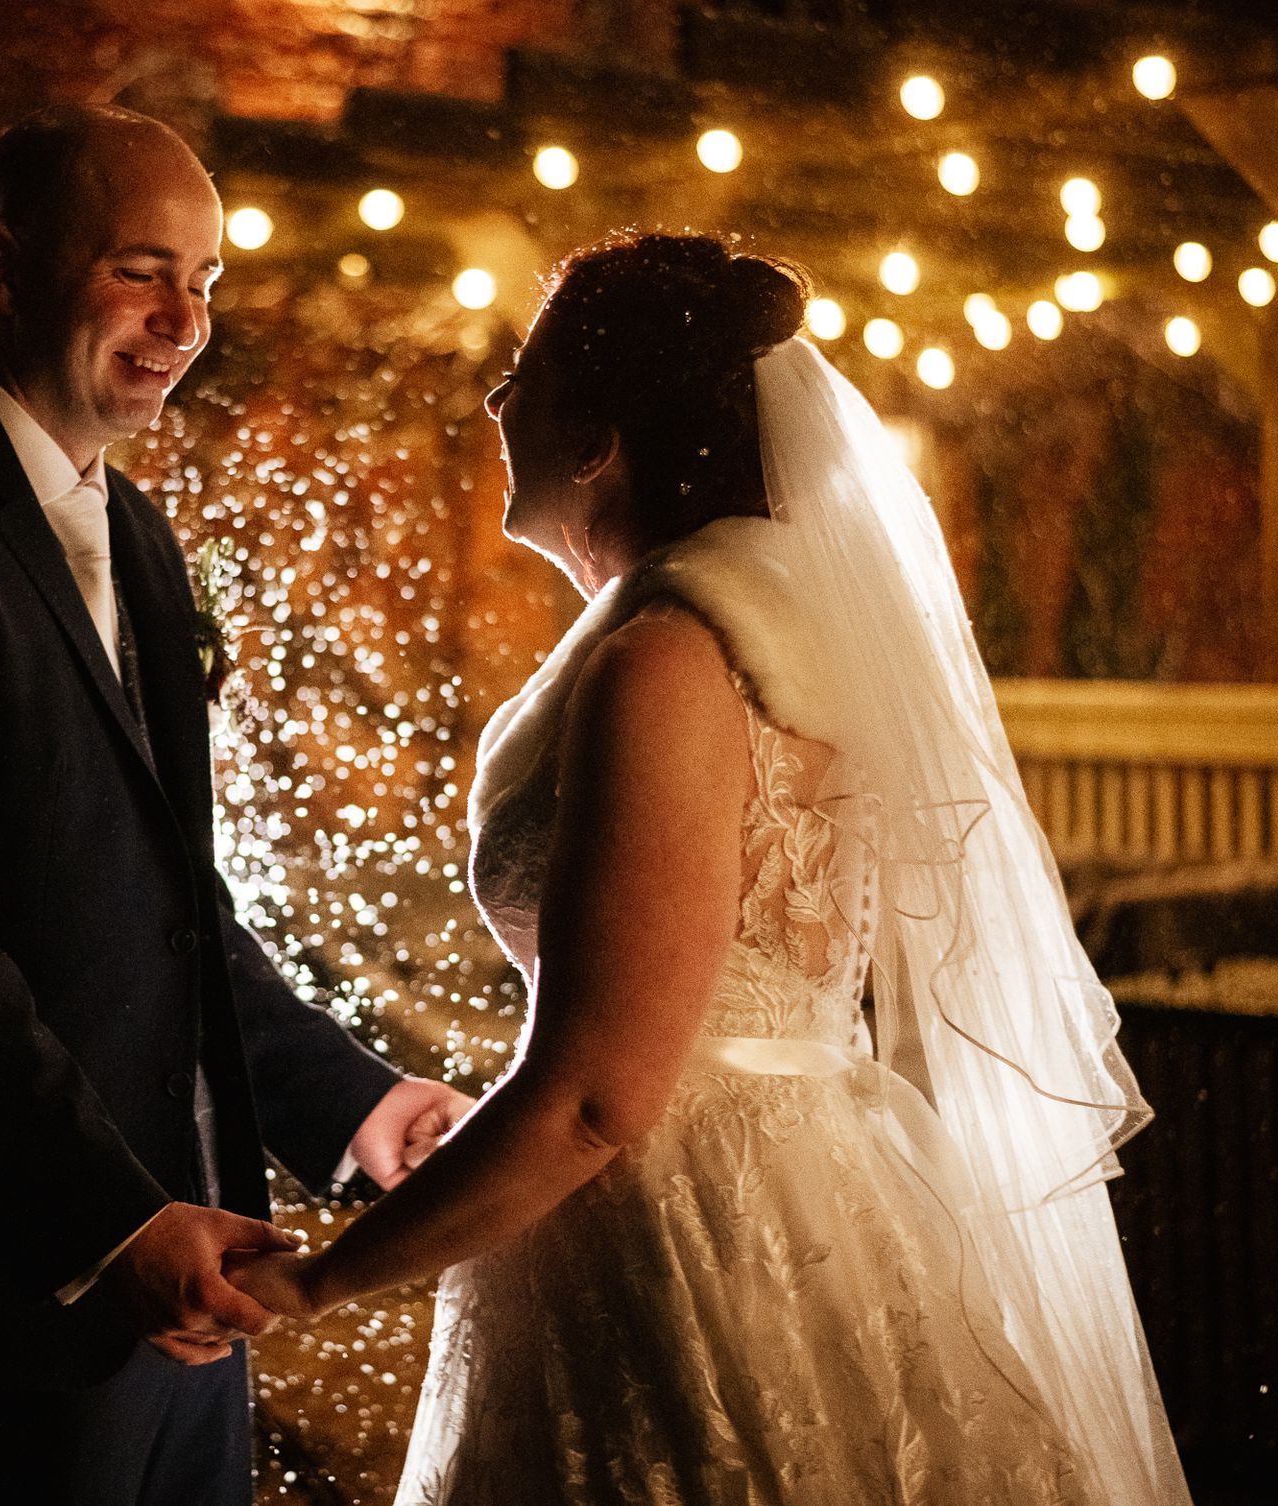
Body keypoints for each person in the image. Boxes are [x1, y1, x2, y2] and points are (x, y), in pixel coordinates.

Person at [231, 231, 1191, 1505]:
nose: (496, 408)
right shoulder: (772, 643)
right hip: (806, 1188)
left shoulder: (667, 663)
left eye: (522, 383)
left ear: (597, 443)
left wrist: (316, 1280)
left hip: (689, 1235)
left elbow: (596, 1100)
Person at [0, 102, 472, 1505]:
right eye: (140, 271)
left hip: (183, 1268)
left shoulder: (138, 532)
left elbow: (170, 904)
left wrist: (360, 1107)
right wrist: (111, 1221)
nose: (182, 322)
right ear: (3, 263)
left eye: (204, 281)